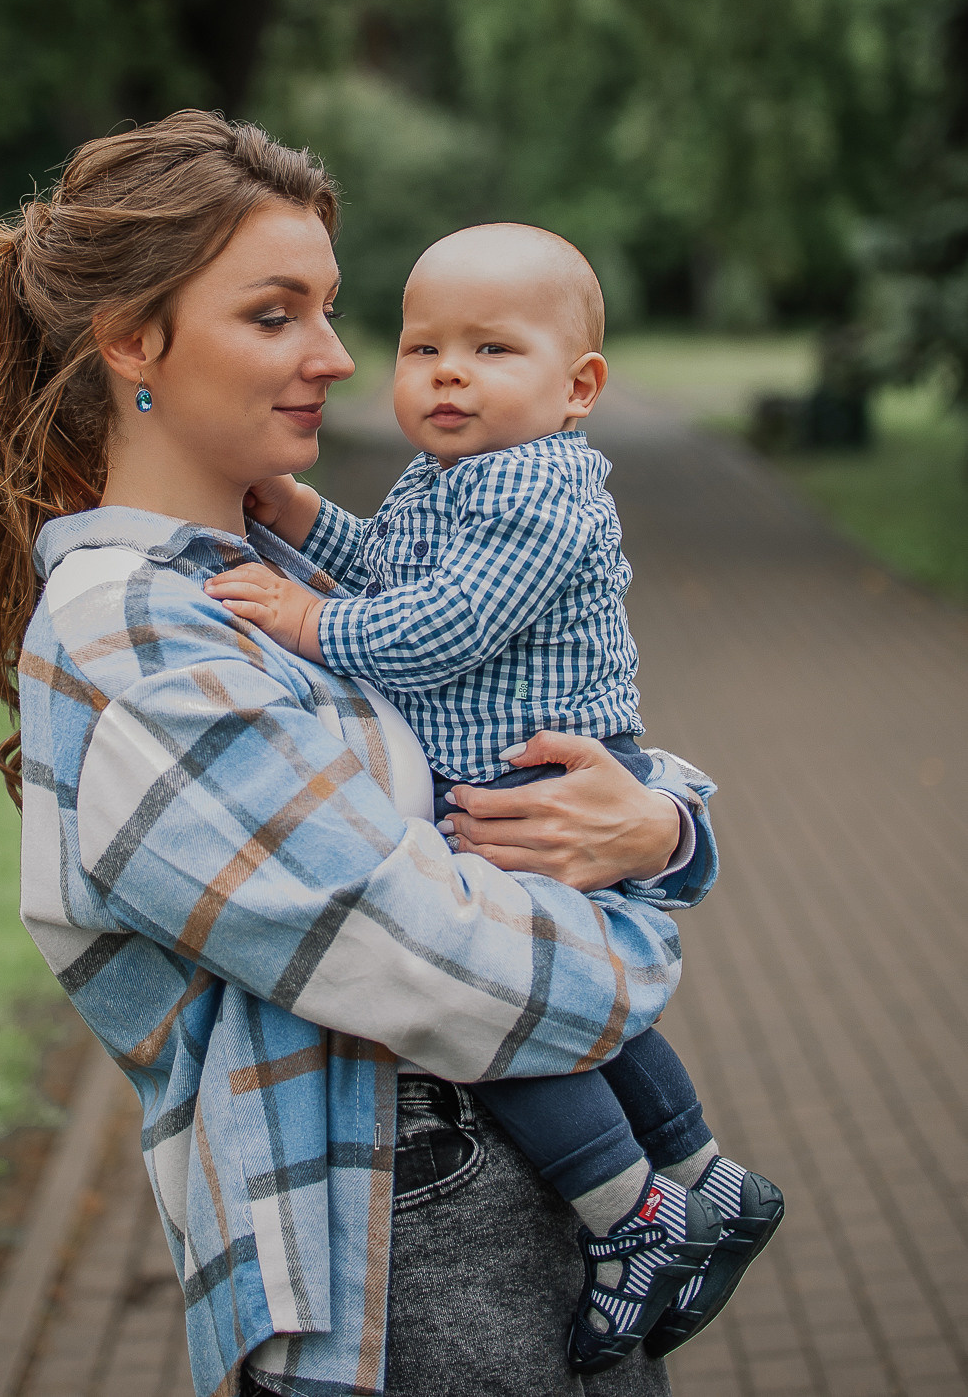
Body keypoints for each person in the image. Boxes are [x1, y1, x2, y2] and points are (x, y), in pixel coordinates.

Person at [0, 112, 720, 1397]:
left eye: (334, 310)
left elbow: (548, 751)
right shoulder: (130, 641)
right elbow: (433, 959)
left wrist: (661, 831)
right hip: (401, 1241)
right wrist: (648, 922)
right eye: (275, 315)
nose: (342, 359)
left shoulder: (283, 567)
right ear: (135, 340)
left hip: (514, 1190)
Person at [206, 223, 784, 1374]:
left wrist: (308, 619)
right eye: (423, 347)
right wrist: (307, 521)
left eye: (490, 348)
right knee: (566, 994)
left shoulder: (539, 486)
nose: (447, 372)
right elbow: (398, 569)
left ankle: (637, 1217)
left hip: (526, 770)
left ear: (577, 389)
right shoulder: (453, 477)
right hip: (499, 770)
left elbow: (445, 623)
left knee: (503, 1013)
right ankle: (704, 1180)